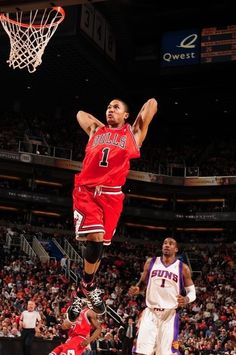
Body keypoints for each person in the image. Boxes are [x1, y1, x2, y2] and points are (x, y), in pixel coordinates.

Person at [72, 97, 158, 317]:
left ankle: (84, 292)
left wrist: (136, 121)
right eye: (108, 106)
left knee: (100, 245)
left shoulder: (132, 134)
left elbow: (152, 103)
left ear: (126, 115)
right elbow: (80, 113)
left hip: (112, 196)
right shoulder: (96, 131)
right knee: (95, 236)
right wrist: (101, 126)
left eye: (116, 107)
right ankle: (88, 286)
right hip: (87, 191)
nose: (110, 110)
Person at [128, 237, 196, 355]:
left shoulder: (183, 268)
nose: (167, 245)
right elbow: (142, 284)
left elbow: (192, 293)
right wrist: (137, 289)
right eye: (165, 243)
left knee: (166, 353)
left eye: (170, 244)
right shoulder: (151, 262)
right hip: (150, 312)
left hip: (169, 314)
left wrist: (186, 299)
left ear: (176, 249)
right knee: (142, 351)